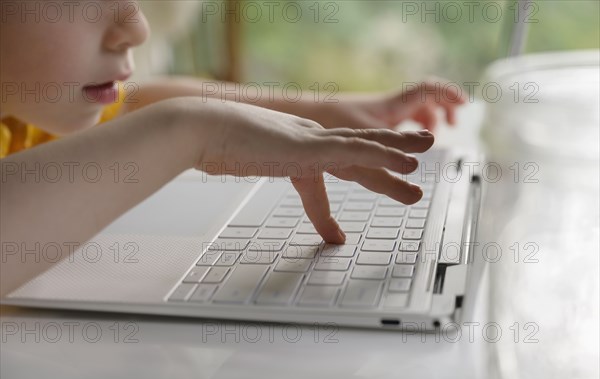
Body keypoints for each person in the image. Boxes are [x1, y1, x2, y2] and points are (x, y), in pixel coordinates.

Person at [0, 0, 465, 296]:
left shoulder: (22, 105)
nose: (137, 27)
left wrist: (320, 113)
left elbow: (131, 105)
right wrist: (195, 132)